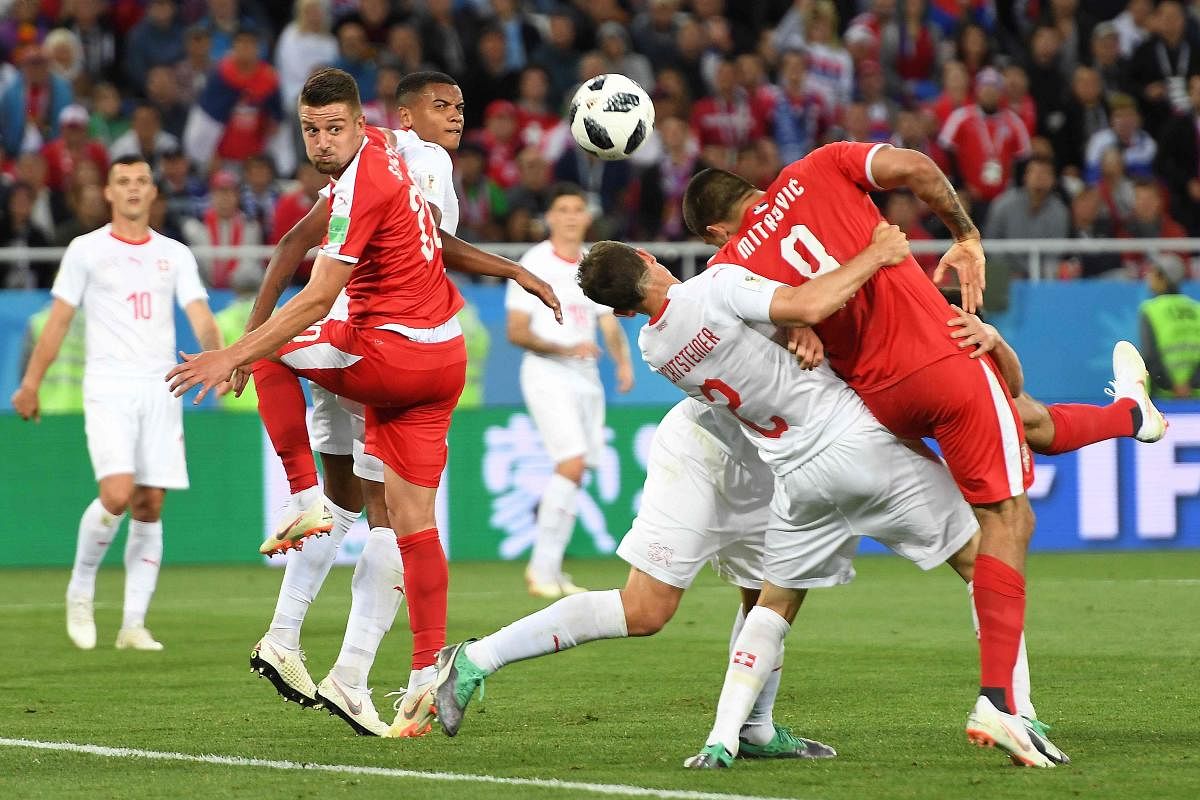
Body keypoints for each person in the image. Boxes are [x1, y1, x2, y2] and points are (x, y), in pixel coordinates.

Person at [432, 239, 1060, 768]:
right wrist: (850, 275)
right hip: (710, 455)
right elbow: (794, 299)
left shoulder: (656, 344)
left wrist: (795, 324)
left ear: (621, 313)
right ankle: (476, 657)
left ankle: (754, 728)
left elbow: (774, 316)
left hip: (769, 455)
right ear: (653, 257)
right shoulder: (722, 283)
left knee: (767, 590)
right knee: (650, 608)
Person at [676, 142, 1165, 766]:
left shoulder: (727, 272)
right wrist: (965, 235)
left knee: (1025, 419)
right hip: (939, 359)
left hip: (876, 400)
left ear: (717, 229)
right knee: (1008, 519)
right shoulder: (817, 167)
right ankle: (999, 702)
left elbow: (741, 327)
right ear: (748, 185)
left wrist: (795, 327)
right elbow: (913, 167)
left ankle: (1132, 415)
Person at [173, 69, 558, 740]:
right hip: (437, 355)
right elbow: (405, 247)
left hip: (374, 351)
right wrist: (516, 267)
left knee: (344, 490)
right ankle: (408, 679)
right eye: (443, 106)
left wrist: (234, 353)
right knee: (403, 522)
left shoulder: (389, 162)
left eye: (459, 106)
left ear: (364, 123)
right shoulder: (392, 154)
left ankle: (300, 530)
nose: (455, 118)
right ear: (400, 117)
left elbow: (310, 279)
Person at [11, 155, 223, 652]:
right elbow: (59, 319)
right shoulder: (86, 250)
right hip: (107, 386)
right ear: (108, 193)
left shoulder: (175, 253)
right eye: (123, 181)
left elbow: (201, 315)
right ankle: (81, 587)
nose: (132, 189)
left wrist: (224, 357)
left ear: (154, 193)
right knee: (118, 494)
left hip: (160, 387)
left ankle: (133, 625)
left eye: (141, 181)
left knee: (150, 505)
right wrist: (30, 383)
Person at [505, 183, 634, 599]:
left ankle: (553, 572)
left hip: (586, 377)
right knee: (572, 465)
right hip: (547, 372)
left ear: (587, 217)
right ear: (551, 218)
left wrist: (623, 362)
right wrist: (565, 346)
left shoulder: (591, 262)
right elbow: (517, 331)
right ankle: (541, 570)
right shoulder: (534, 262)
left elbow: (607, 320)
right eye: (563, 209)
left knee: (577, 474)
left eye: (578, 208)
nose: (572, 216)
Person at [1139, 254, 1200, 398]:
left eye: (1152, 272)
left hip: (1164, 396)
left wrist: (1172, 386)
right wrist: (1191, 384)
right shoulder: (1196, 309)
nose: (1149, 277)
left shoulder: (1150, 309)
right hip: (1196, 394)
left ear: (1163, 277)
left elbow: (1150, 355)